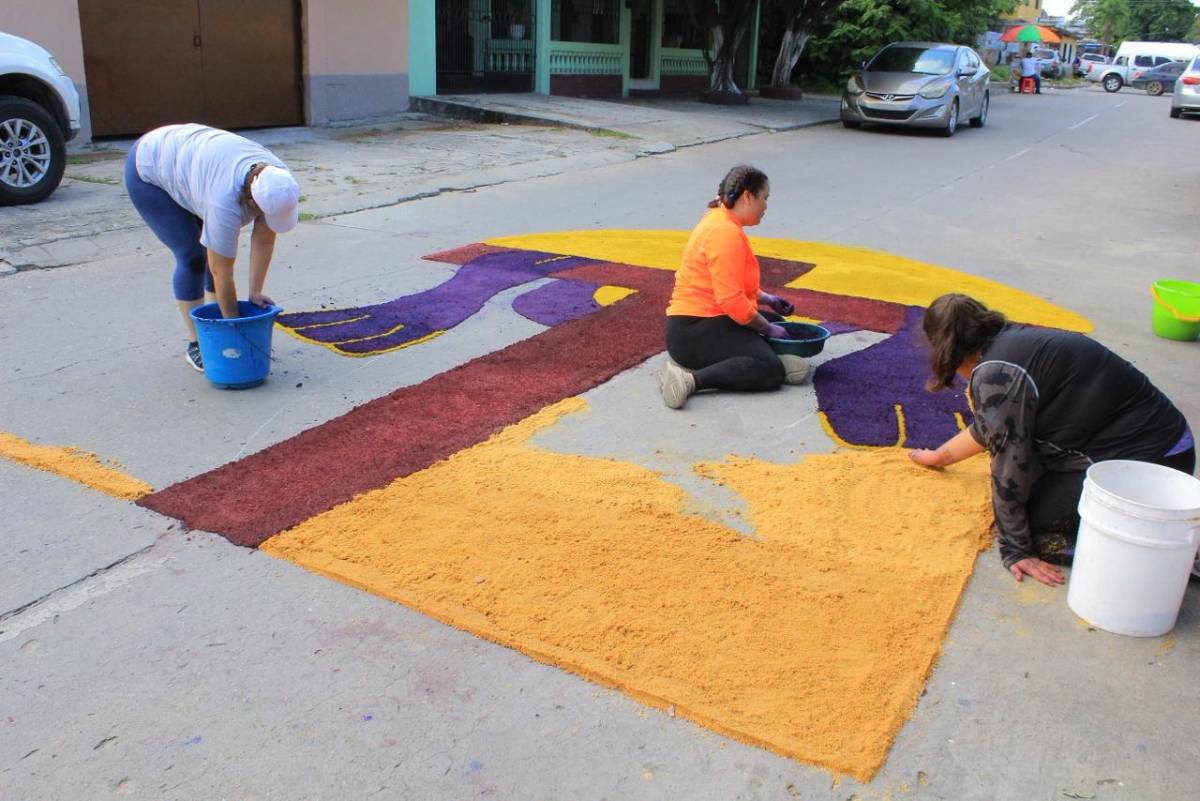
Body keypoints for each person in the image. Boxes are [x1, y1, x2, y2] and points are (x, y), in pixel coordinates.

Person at [909, 294, 1194, 587]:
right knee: (1032, 500)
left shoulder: (997, 372)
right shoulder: (1013, 346)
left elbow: (1009, 462)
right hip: (1168, 449)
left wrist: (1016, 549)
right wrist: (941, 456)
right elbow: (996, 426)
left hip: (1151, 468)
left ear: (945, 351)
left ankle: (1170, 550)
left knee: (1036, 531)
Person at [124, 123, 301, 372]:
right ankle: (198, 343)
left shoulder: (277, 181)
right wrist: (236, 334)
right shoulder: (225, 202)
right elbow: (222, 271)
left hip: (196, 162)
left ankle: (216, 329)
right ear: (252, 202)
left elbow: (264, 238)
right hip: (150, 166)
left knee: (213, 252)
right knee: (194, 257)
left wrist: (255, 291)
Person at [658, 165, 797, 409]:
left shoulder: (721, 219)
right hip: (692, 333)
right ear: (748, 196)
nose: (766, 206)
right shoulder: (725, 231)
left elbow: (731, 283)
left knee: (777, 322)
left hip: (704, 320)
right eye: (765, 198)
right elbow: (732, 300)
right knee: (770, 370)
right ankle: (688, 381)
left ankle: (766, 356)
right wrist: (767, 329)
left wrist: (768, 299)